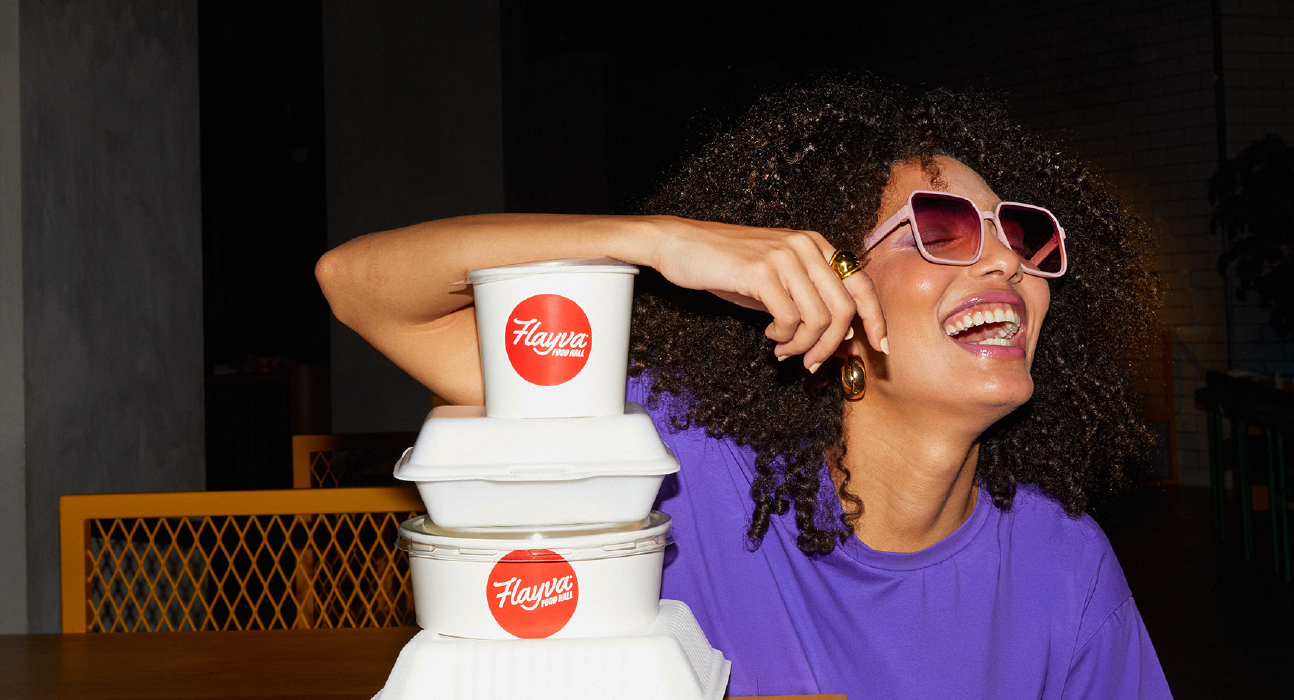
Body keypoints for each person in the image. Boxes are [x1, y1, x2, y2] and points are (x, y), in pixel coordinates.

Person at [317, 76, 1170, 699]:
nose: (1006, 261)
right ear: (832, 287)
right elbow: (359, 287)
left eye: (1021, 235)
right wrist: (655, 242)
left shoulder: (1065, 566)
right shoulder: (671, 462)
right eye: (940, 230)